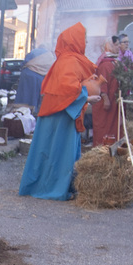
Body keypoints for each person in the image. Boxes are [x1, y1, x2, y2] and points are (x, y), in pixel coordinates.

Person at [19, 23, 100, 200]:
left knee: (49, 152)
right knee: (59, 154)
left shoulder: (68, 60)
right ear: (75, 40)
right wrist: (87, 98)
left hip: (58, 114)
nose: (85, 42)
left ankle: (52, 186)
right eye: (83, 38)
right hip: (61, 116)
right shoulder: (69, 61)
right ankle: (56, 189)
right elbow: (68, 89)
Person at [92, 39, 121, 147]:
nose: (119, 47)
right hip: (106, 103)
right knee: (104, 129)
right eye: (116, 44)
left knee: (113, 129)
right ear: (108, 46)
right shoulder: (105, 64)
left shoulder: (113, 62)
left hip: (114, 102)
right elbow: (101, 83)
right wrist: (105, 99)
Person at [13, 45, 53, 111]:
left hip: (26, 75)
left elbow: (24, 62)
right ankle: (34, 111)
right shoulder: (49, 54)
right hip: (40, 77)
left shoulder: (33, 52)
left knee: (24, 97)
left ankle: (20, 112)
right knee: (35, 97)